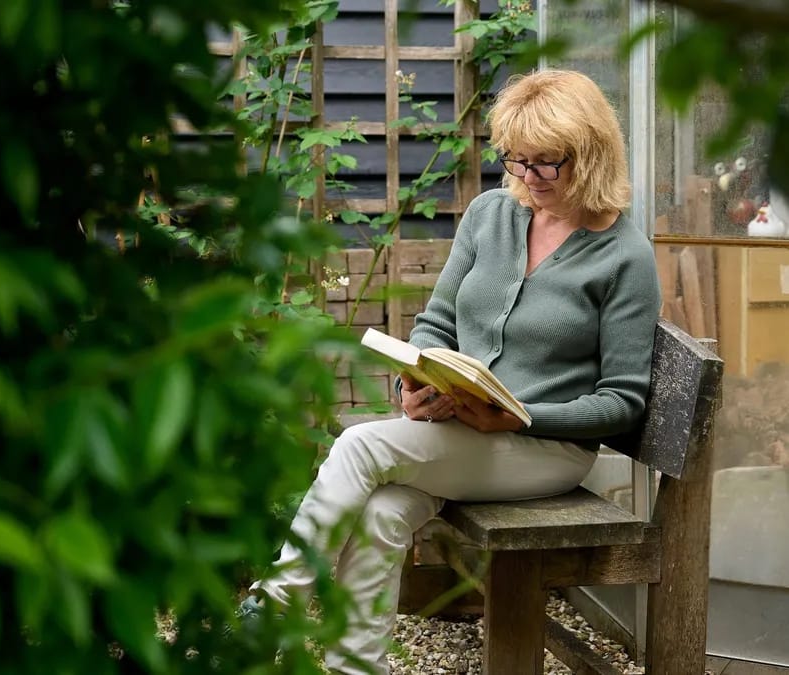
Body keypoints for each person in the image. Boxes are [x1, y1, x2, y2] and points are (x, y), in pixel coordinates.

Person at [243, 69, 662, 674]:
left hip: (547, 450)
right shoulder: (490, 215)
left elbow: (623, 402)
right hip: (460, 434)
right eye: (516, 161)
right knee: (383, 513)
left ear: (591, 154)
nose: (527, 178)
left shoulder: (625, 256)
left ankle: (277, 602)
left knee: (360, 444)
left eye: (546, 163)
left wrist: (516, 418)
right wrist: (413, 384)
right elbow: (436, 324)